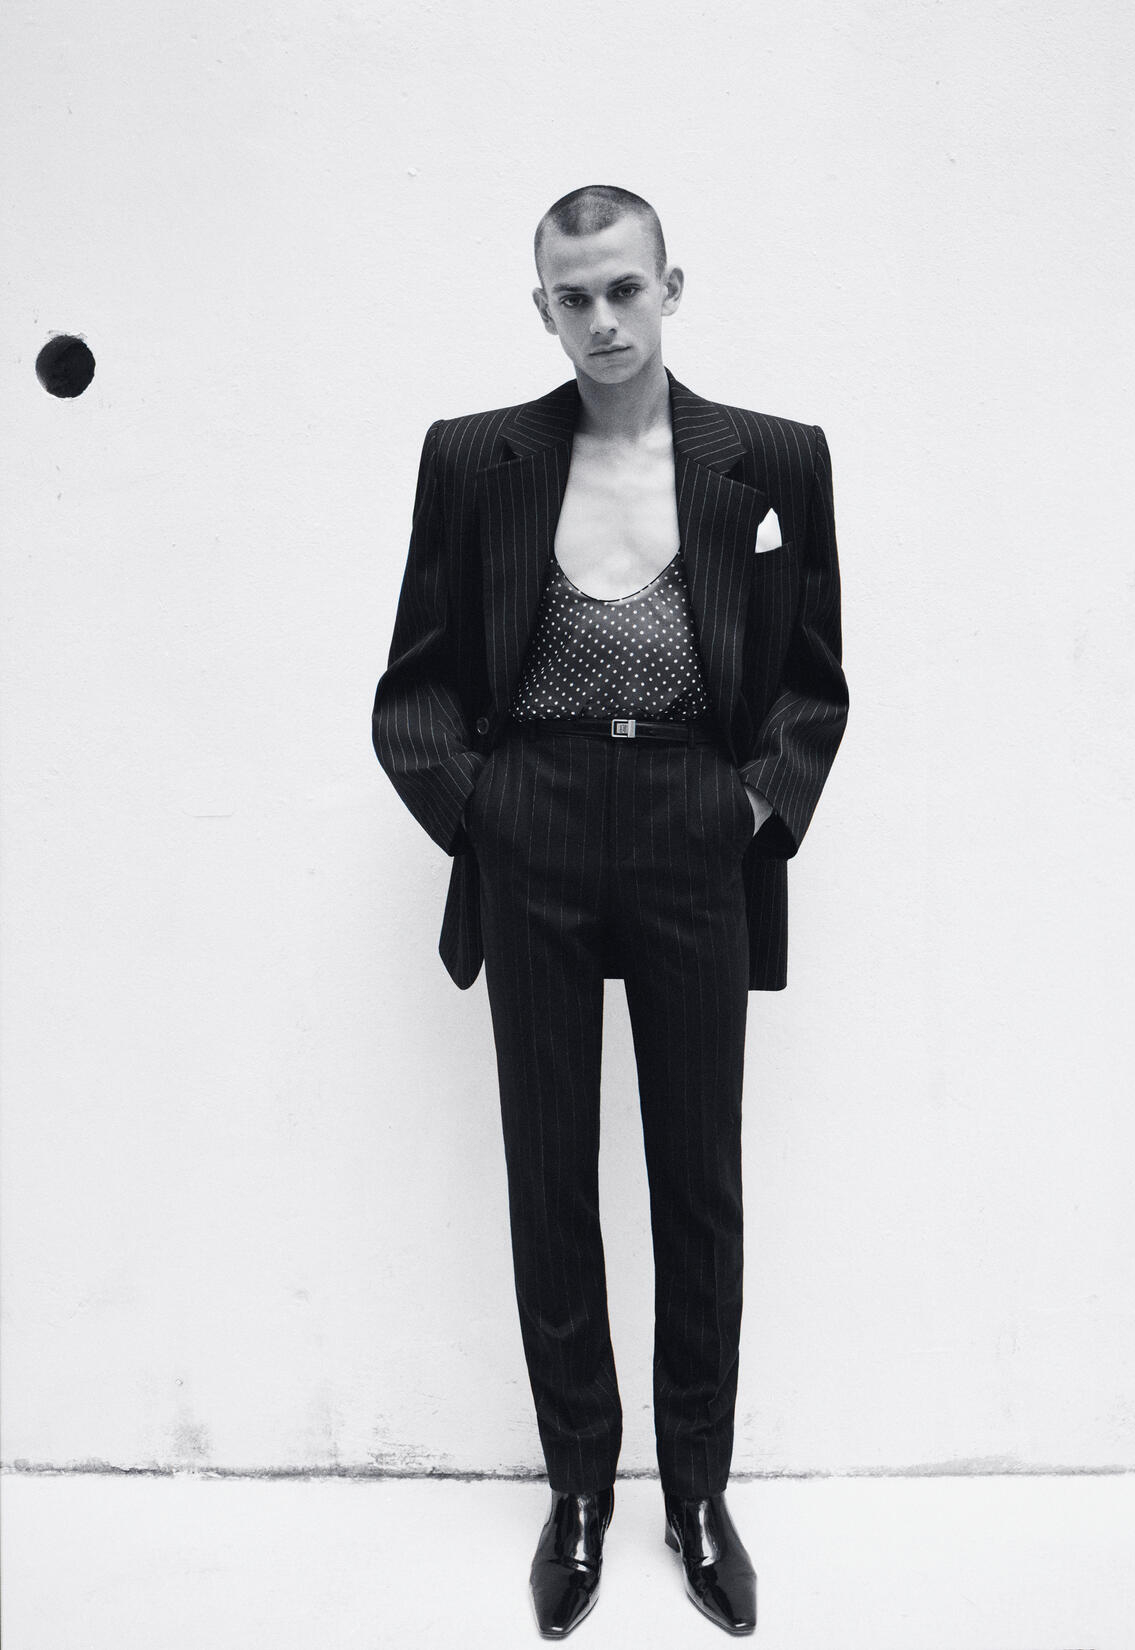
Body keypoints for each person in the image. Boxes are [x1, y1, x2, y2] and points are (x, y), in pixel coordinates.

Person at [372, 184, 848, 1638]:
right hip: (536, 820)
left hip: (696, 825)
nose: (602, 319)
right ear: (542, 308)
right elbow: (415, 686)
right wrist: (486, 815)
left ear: (670, 287)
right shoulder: (478, 460)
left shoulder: (771, 459)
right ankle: (578, 1488)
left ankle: (695, 1493)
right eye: (572, 297)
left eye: (624, 289)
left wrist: (750, 807)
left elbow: (814, 681)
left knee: (700, 1176)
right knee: (549, 1167)